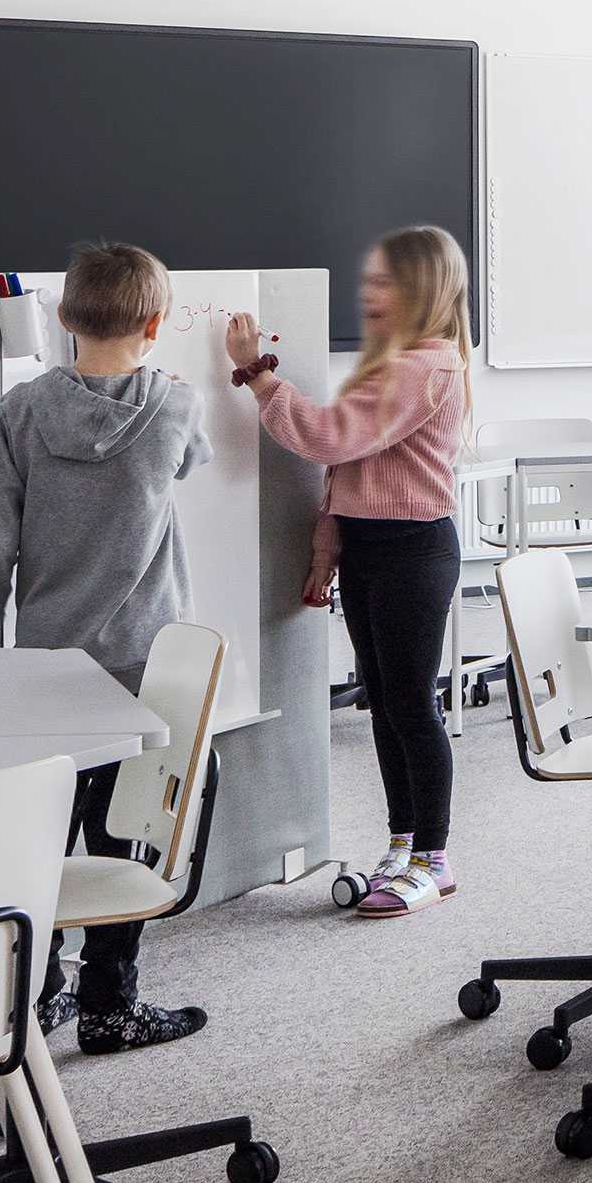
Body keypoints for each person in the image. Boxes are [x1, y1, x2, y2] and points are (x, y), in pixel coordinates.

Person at [0, 241, 212, 1051]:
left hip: (46, 666)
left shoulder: (25, 410)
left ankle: (37, 994)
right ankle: (113, 1001)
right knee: (124, 834)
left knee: (44, 832)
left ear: (64, 318)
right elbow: (195, 464)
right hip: (143, 663)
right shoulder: (174, 407)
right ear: (156, 322)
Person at [225, 224, 475, 918]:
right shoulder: (392, 366)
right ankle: (403, 843)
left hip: (412, 550)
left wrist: (259, 374)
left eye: (384, 281)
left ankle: (434, 858)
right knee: (386, 705)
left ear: (423, 291)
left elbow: (326, 438)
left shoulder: (425, 368)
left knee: (412, 707)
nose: (368, 293)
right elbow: (348, 471)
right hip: (372, 548)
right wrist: (326, 554)